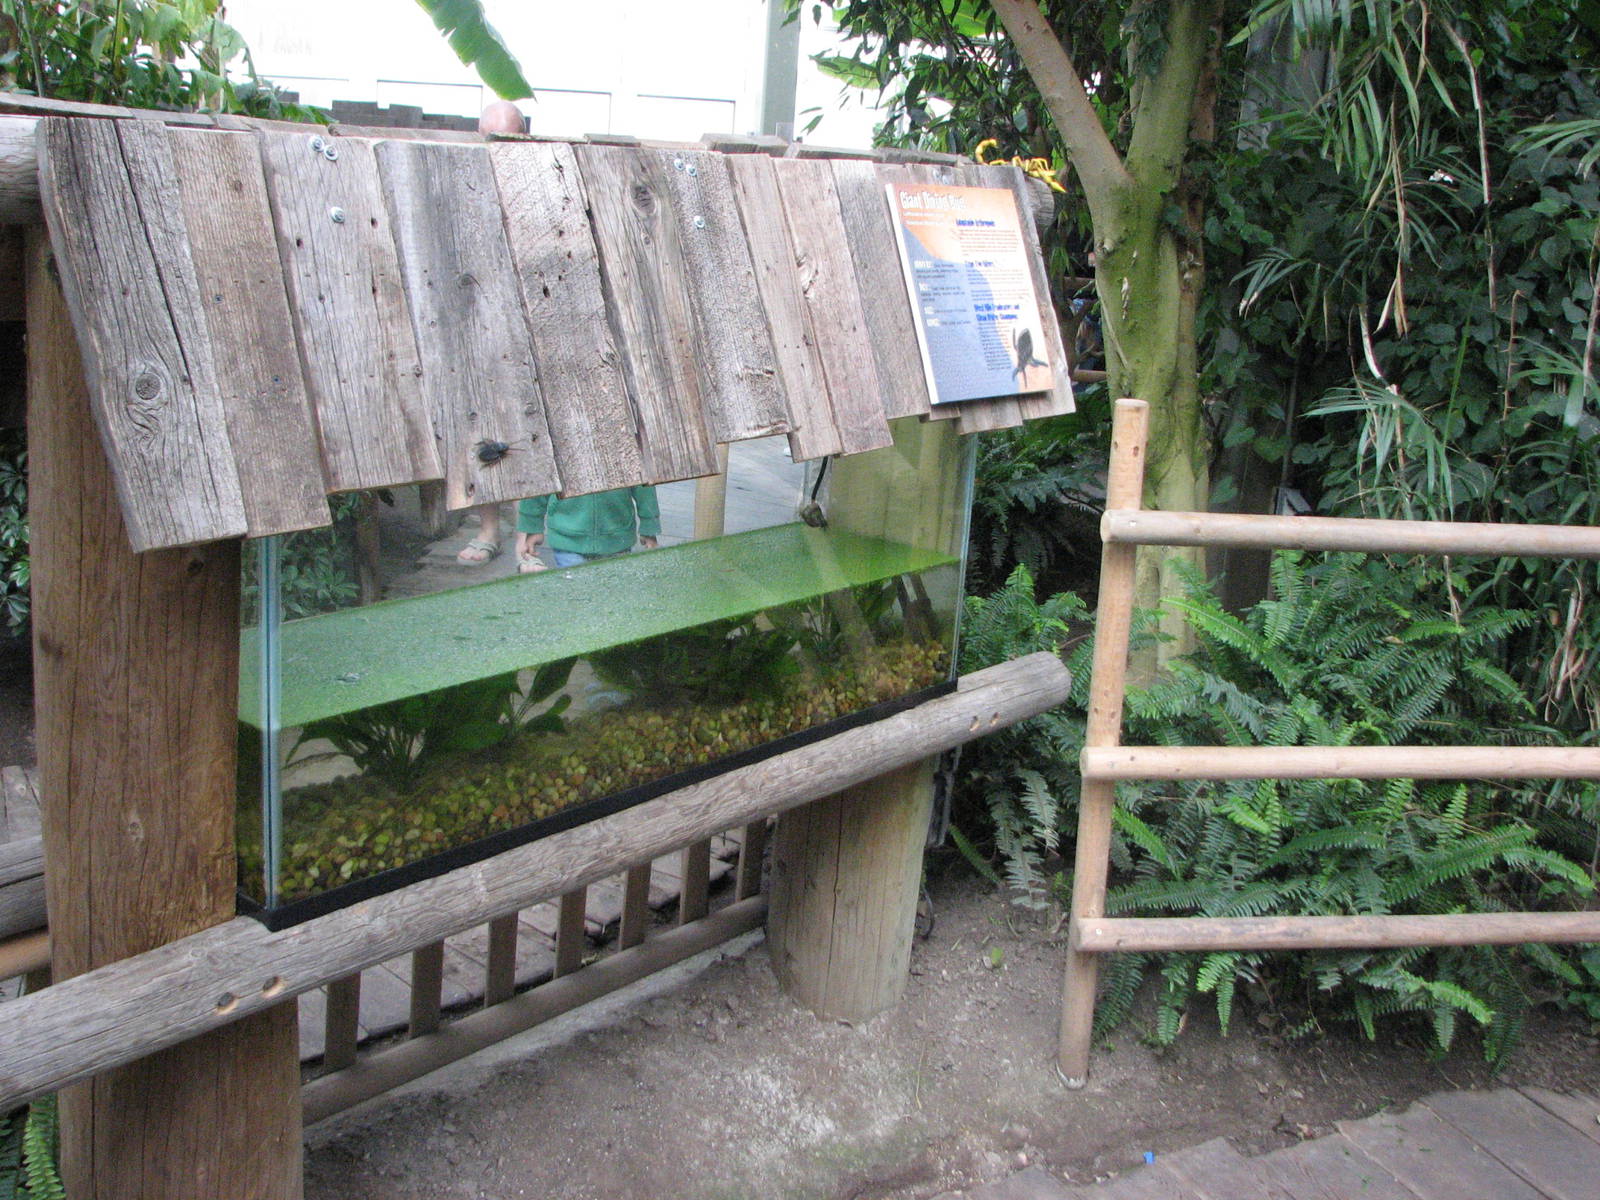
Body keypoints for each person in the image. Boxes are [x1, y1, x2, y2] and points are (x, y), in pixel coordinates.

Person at [457, 98, 530, 566]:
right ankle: (488, 529)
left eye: (510, 136)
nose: (499, 146)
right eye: (491, 136)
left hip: (526, 325)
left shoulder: (537, 178)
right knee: (480, 432)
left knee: (532, 430)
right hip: (477, 327)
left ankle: (528, 536)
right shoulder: (465, 179)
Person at [516, 487, 661, 572]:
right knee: (578, 592)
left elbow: (644, 487)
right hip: (567, 537)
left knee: (614, 593)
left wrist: (649, 526)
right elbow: (540, 481)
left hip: (617, 537)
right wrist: (532, 526)